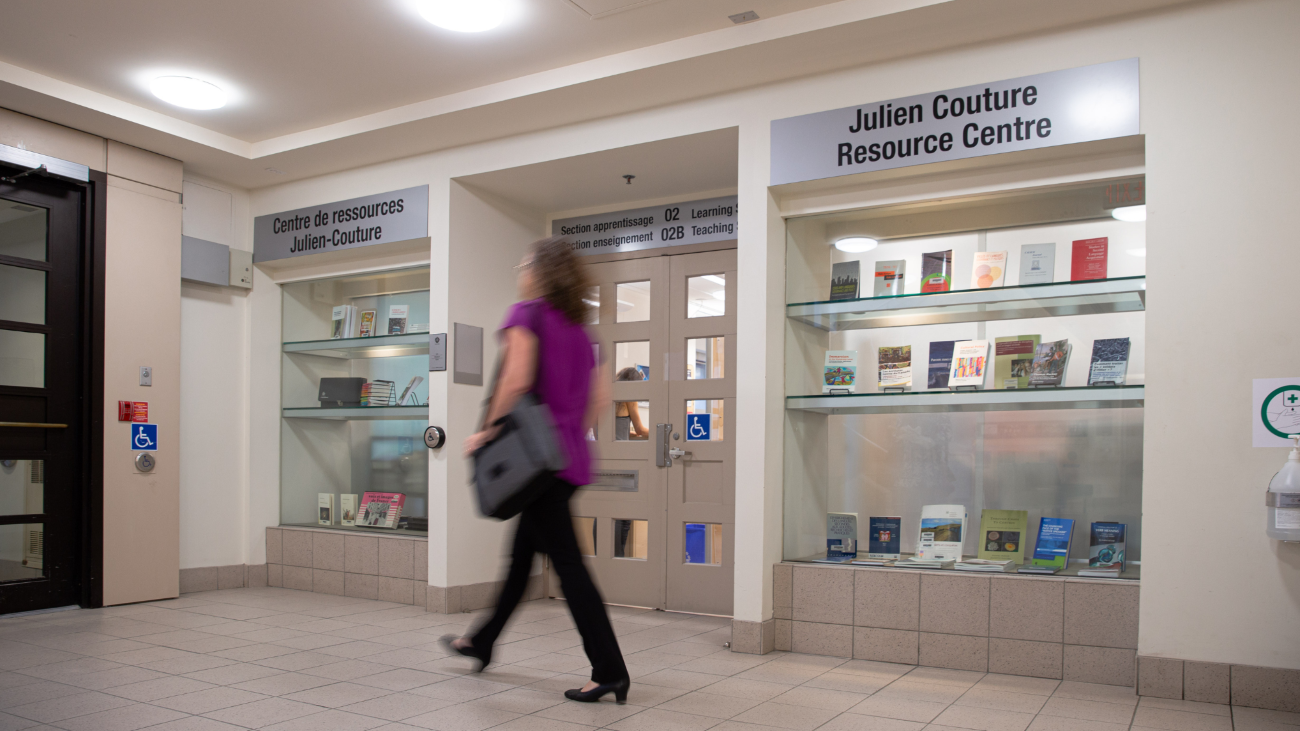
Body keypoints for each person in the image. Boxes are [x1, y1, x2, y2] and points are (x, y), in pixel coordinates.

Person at [442, 236, 630, 704]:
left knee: (569, 568)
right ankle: (481, 642)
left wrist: (487, 430)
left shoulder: (525, 314)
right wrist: (566, 436)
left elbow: (516, 378)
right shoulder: (585, 336)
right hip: (564, 463)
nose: (520, 268)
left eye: (525, 262)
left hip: (535, 464)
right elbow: (601, 401)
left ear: (539, 271)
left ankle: (610, 670)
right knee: (521, 558)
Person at [614, 367, 649, 440]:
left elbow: (609, 431)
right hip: (620, 449)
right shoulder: (629, 398)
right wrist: (660, 433)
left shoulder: (609, 399)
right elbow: (640, 430)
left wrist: (627, 432)